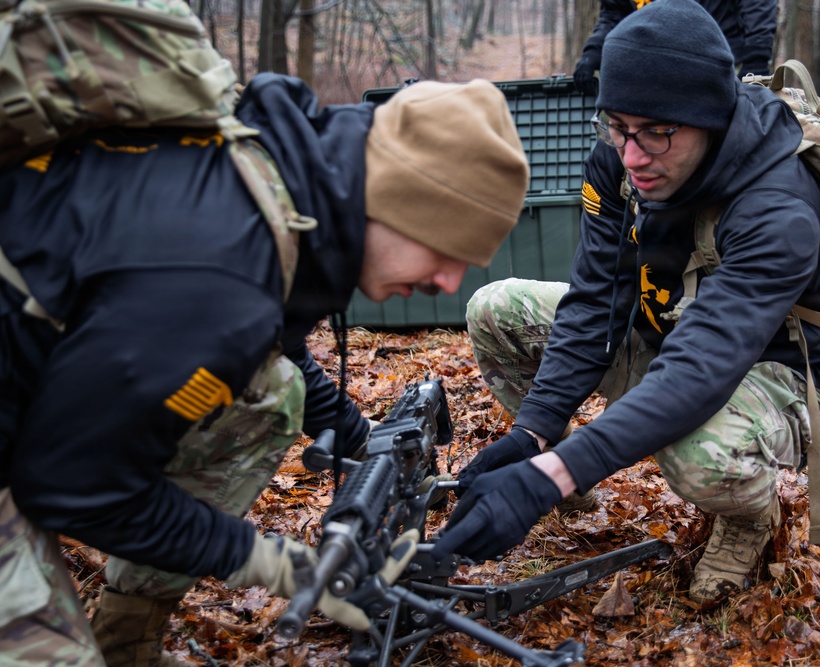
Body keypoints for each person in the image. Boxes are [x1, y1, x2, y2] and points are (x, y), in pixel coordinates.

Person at [0, 75, 529, 666]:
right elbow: (71, 485)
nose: (449, 283)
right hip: (44, 457)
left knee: (271, 394)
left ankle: (128, 642)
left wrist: (362, 445)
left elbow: (272, 354)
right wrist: (267, 560)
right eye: (450, 248)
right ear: (402, 198)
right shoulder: (219, 277)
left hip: (38, 408)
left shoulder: (272, 195)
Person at [432, 0, 820, 611]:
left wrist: (554, 477)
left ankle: (745, 516)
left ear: (710, 118)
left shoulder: (776, 209)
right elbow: (595, 299)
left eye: (657, 131)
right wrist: (532, 435)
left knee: (697, 451)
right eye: (619, 127)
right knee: (498, 308)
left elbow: (700, 368)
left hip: (773, 372)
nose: (632, 154)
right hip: (663, 336)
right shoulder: (620, 162)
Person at [572, 0, 778, 96]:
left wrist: (756, 58)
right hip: (653, 70)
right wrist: (594, 51)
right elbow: (614, 13)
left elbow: (757, 3)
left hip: (717, 64)